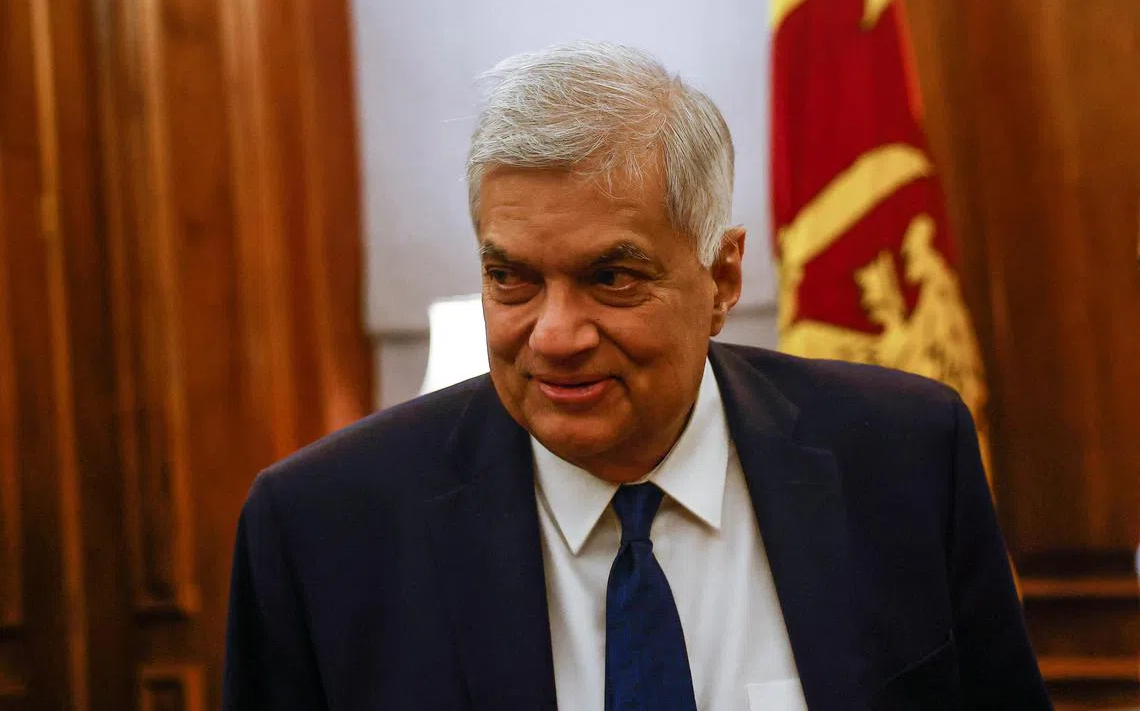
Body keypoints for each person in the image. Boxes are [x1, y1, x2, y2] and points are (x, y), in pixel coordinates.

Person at [222, 41, 1050, 710]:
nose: (554, 335)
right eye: (512, 278)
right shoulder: (323, 530)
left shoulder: (903, 458)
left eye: (612, 278)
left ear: (722, 280)